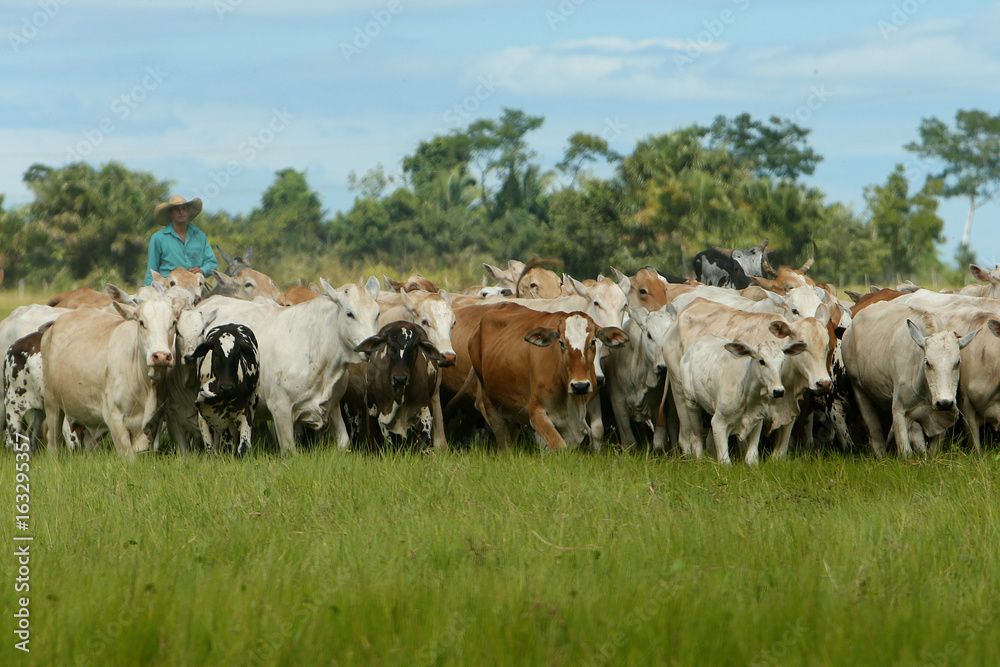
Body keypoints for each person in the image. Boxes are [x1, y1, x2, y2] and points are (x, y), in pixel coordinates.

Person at [144, 194, 218, 286]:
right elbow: (151, 271)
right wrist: (148, 291)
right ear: (170, 213)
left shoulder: (200, 236)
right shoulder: (158, 238)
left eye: (184, 208)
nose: (181, 212)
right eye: (176, 209)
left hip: (195, 287)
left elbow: (212, 263)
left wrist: (202, 270)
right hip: (168, 288)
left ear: (188, 211)